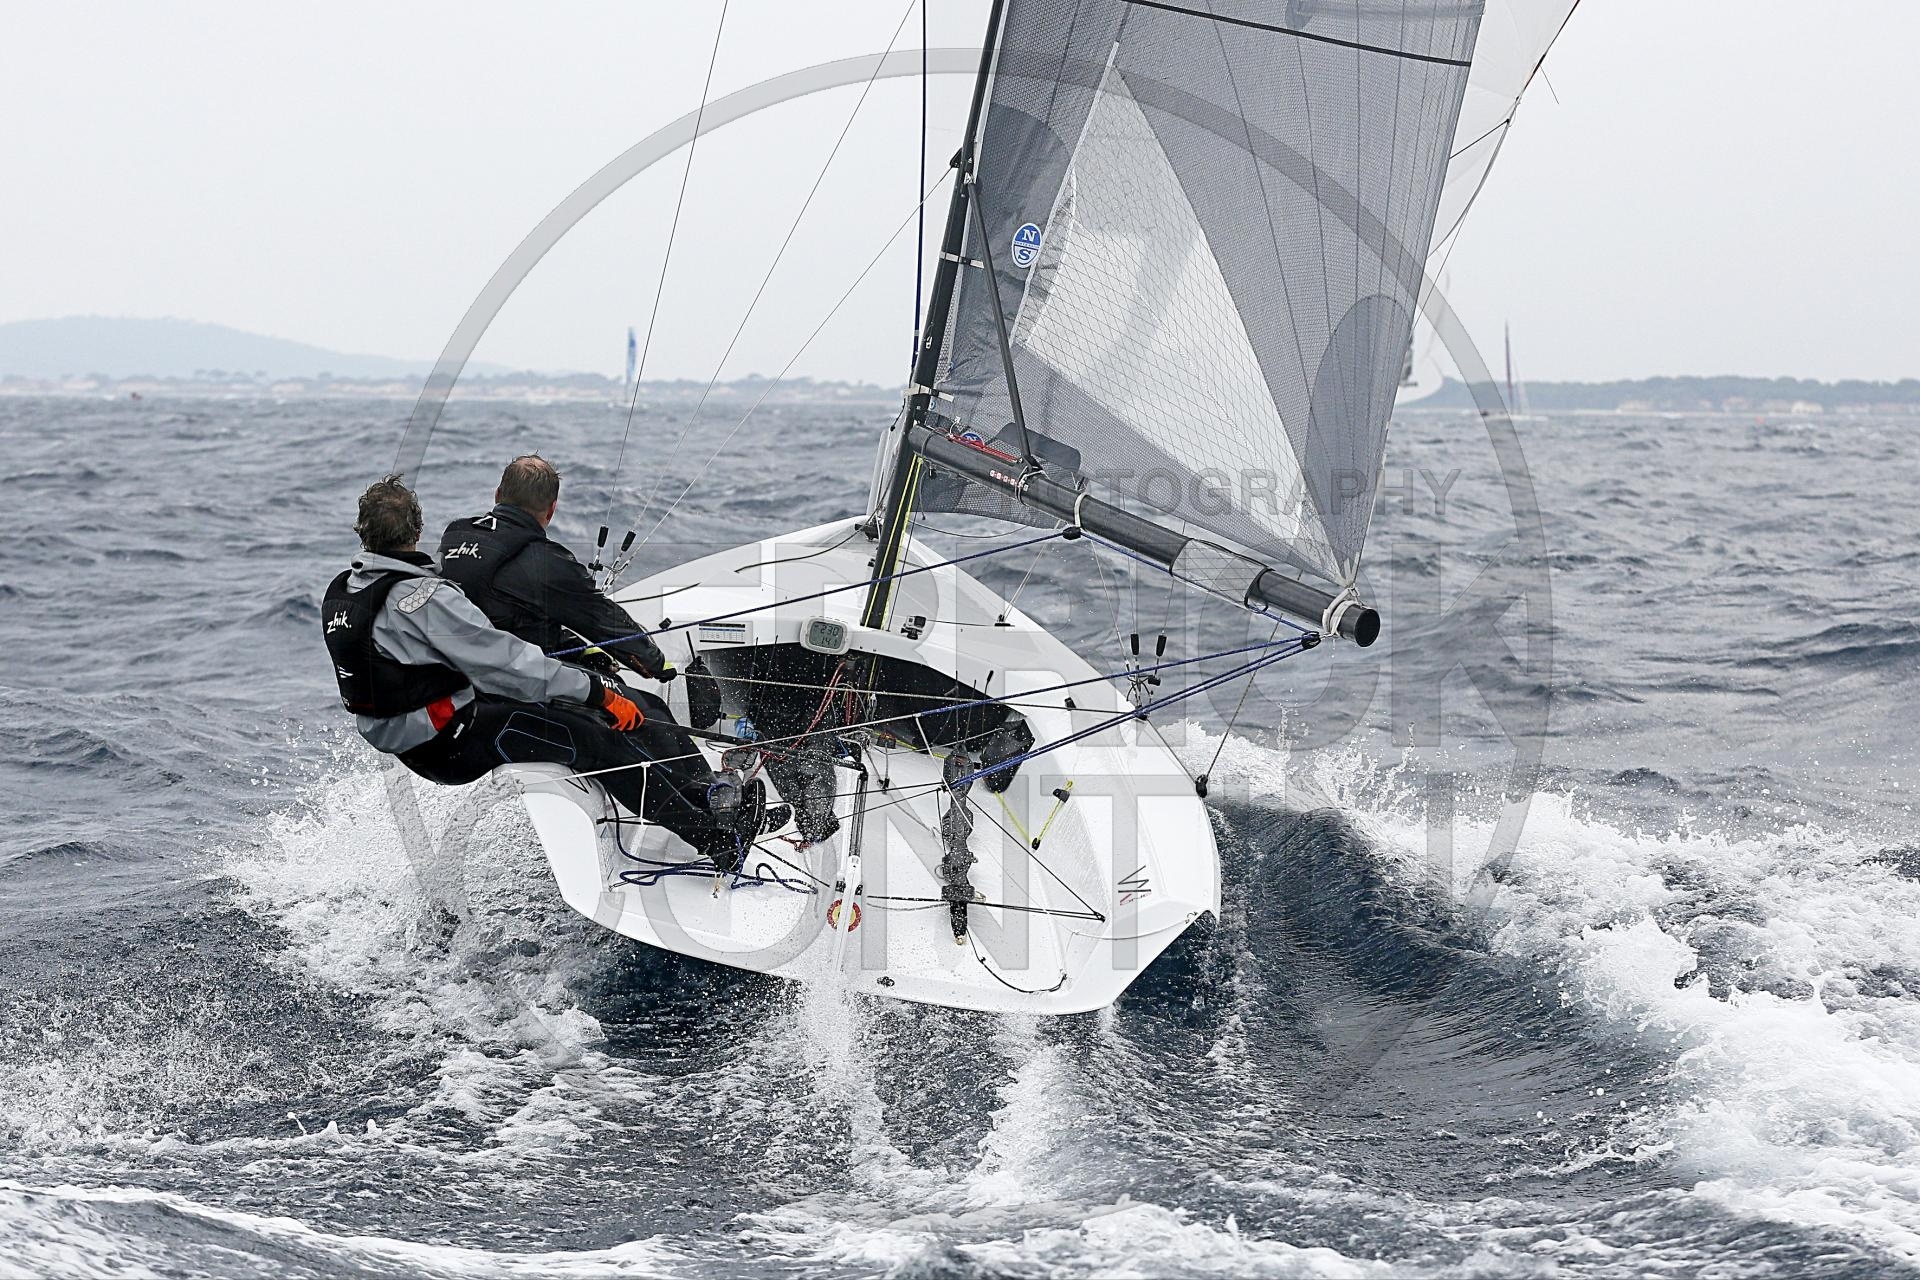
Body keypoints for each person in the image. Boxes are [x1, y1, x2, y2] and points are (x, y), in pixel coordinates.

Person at [322, 475, 768, 870]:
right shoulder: (424, 600)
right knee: (598, 740)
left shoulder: (345, 590)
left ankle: (708, 803)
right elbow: (509, 664)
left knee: (587, 723)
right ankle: (718, 842)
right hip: (451, 742)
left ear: (362, 533)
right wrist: (597, 692)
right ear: (417, 530)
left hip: (410, 740)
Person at [436, 454, 671, 682]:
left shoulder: (455, 533)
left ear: (497, 495)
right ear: (551, 509)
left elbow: (500, 609)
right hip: (507, 682)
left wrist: (575, 648)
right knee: (646, 705)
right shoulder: (549, 561)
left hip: (449, 669)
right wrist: (656, 663)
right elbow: (601, 618)